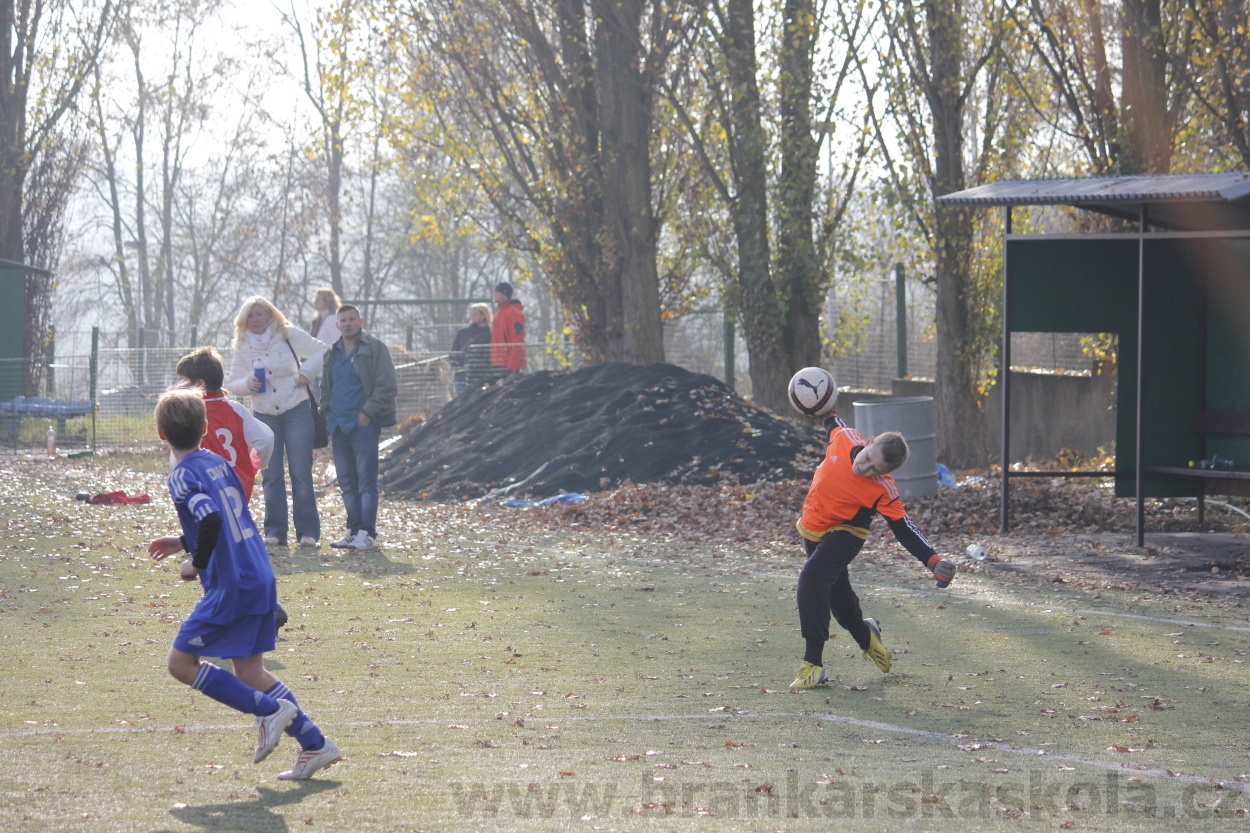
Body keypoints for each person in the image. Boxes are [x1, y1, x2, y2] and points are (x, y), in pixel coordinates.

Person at [147, 387, 340, 779]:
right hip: (257, 571)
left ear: (162, 434)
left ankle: (269, 711)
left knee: (181, 664)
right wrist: (182, 540)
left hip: (230, 583)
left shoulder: (182, 475)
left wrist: (194, 563)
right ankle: (316, 744)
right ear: (205, 428)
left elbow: (213, 520)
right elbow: (228, 514)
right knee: (250, 674)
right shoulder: (216, 461)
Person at [790, 413, 957, 689]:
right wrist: (816, 404)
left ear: (884, 473)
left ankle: (813, 665)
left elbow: (905, 529)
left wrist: (932, 559)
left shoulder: (883, 489)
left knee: (811, 581)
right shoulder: (844, 437)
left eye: (874, 469)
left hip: (846, 533)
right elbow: (827, 414)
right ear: (867, 443)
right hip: (812, 528)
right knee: (839, 601)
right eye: (867, 458)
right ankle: (867, 636)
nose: (865, 468)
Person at [226, 297, 329, 548]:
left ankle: (307, 532)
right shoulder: (242, 345)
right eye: (251, 316)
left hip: (297, 410)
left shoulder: (287, 334)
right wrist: (247, 384)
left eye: (260, 314)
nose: (255, 319)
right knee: (270, 474)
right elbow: (233, 384)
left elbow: (322, 350)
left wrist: (306, 373)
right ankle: (275, 531)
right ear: (244, 320)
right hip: (264, 414)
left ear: (270, 315)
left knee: (300, 472)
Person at [320, 304, 398, 551]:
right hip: (339, 427)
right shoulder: (332, 353)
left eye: (352, 319)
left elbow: (387, 386)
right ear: (337, 325)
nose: (347, 323)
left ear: (360, 321)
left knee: (366, 481)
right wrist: (327, 414)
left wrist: (367, 413)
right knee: (346, 482)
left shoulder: (375, 349)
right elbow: (325, 389)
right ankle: (353, 531)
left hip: (364, 426)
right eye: (343, 320)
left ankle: (368, 532)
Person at [175, 346, 274, 500]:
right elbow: (266, 439)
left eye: (183, 381)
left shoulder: (190, 413)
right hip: (238, 488)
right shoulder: (236, 409)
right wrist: (257, 463)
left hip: (205, 489)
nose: (179, 386)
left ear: (199, 384)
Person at [449, 302, 492, 394]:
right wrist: (457, 364)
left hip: (480, 375)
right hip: (461, 373)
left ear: (484, 315)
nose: (471, 316)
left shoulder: (489, 334)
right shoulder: (462, 333)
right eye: (471, 314)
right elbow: (453, 352)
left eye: (475, 314)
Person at [490, 281, 527, 376]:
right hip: (499, 362)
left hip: (507, 363)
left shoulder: (513, 313)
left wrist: (512, 366)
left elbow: (518, 340)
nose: (494, 294)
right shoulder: (500, 313)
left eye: (496, 292)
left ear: (504, 293)